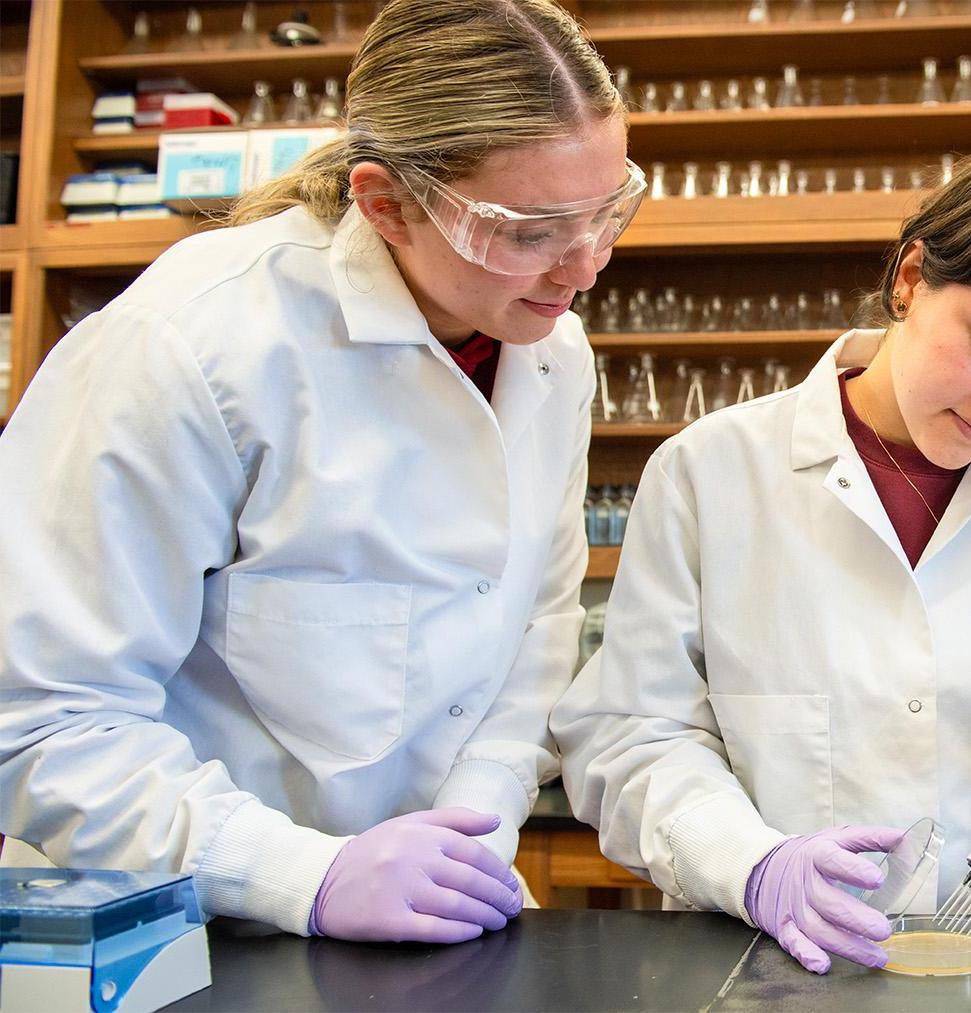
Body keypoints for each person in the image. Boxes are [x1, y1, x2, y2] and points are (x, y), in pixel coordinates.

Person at [0, 0, 639, 944]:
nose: (583, 268)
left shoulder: (554, 354)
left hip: (439, 911)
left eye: (608, 210)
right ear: (385, 203)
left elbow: (537, 625)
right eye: (529, 231)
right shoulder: (191, 344)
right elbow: (45, 721)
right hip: (183, 925)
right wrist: (305, 873)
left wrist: (474, 820)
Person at [551, 136, 971, 974]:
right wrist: (752, 866)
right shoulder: (710, 472)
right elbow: (631, 739)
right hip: (771, 965)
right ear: (911, 278)